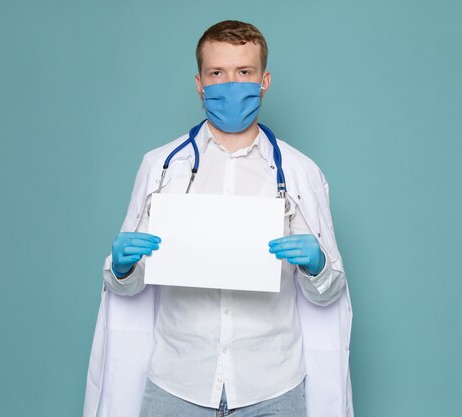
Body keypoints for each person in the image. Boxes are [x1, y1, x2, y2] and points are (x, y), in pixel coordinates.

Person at [83, 20, 354, 417]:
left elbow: (328, 294)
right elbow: (127, 288)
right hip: (177, 383)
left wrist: (318, 267)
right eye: (217, 74)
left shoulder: (300, 174)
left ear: (264, 81)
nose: (231, 85)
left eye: (244, 72)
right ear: (199, 83)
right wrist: (121, 269)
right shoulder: (161, 167)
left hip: (272, 387)